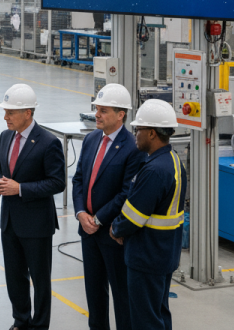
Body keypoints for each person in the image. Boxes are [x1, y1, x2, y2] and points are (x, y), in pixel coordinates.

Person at [0, 84, 65, 330]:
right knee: (14, 277)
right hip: (10, 221)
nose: (5, 117)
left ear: (27, 113)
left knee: (40, 280)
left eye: (10, 112)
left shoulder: (48, 142)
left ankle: (40, 325)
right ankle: (20, 321)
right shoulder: (5, 136)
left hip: (36, 224)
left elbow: (57, 182)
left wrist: (20, 189)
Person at [71, 84, 144, 330]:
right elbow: (79, 178)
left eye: (103, 110)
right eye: (96, 109)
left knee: (121, 295)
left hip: (113, 233)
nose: (97, 115)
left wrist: (98, 219)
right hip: (88, 231)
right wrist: (81, 214)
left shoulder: (132, 148)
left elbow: (126, 193)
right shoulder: (91, 139)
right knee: (94, 294)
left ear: (121, 114)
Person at [110, 100, 186, 330]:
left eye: (139, 129)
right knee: (159, 314)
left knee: (145, 320)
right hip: (164, 253)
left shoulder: (153, 170)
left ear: (152, 133)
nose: (136, 134)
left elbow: (134, 215)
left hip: (147, 256)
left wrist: (116, 229)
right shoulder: (172, 161)